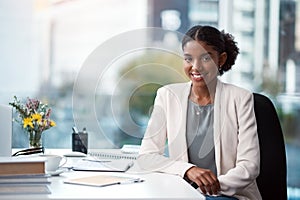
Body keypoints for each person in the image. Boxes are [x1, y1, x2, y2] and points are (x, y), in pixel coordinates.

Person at [137, 25, 262, 200]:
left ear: (221, 59)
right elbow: (146, 156)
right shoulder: (167, 96)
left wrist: (208, 187)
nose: (196, 67)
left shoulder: (240, 98)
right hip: (184, 194)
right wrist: (188, 170)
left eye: (205, 58)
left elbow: (249, 166)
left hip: (229, 195)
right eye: (188, 59)